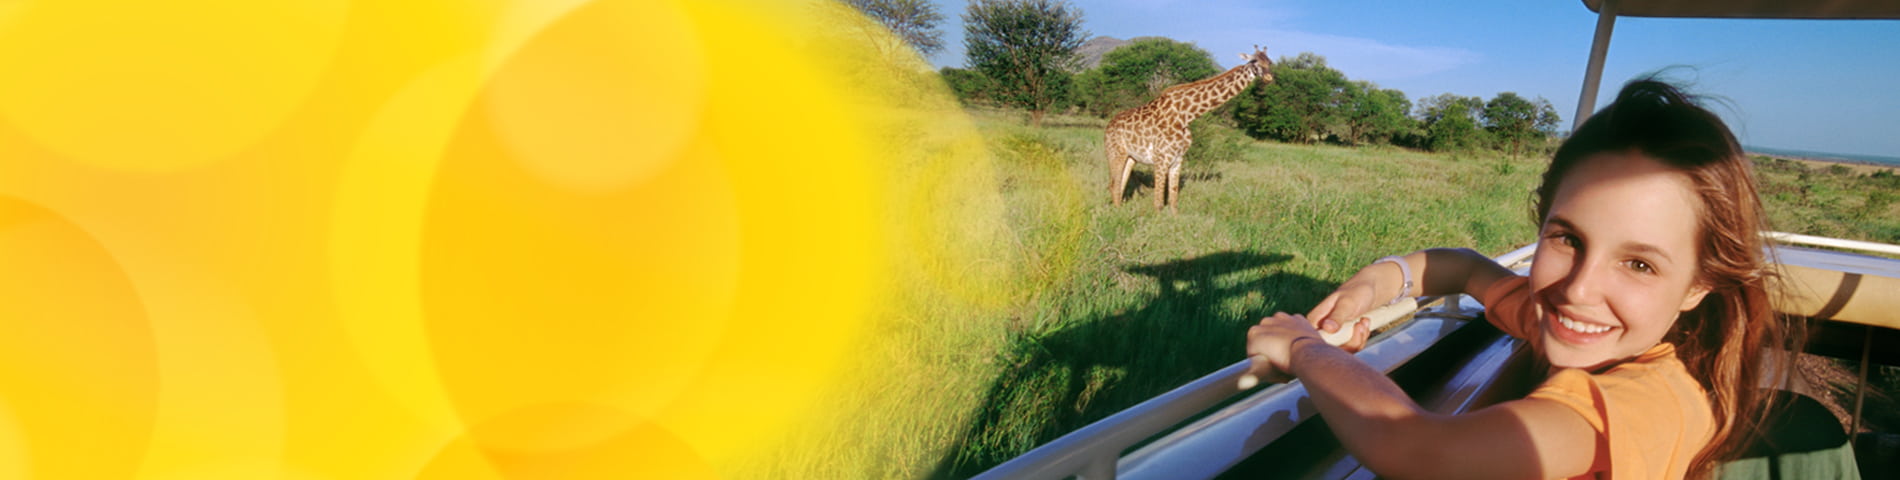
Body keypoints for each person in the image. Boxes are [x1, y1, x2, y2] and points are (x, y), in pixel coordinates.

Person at [1243, 79, 1798, 479]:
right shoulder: (1567, 326)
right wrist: (1370, 287)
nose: (1578, 289)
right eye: (1568, 239)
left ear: (1699, 285)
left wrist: (1304, 348)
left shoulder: (1636, 402)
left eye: (1640, 264)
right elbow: (1460, 266)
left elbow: (1417, 450)